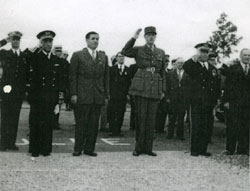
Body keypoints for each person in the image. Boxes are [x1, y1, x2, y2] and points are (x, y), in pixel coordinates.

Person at [122, 27, 166, 157]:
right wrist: (134, 37)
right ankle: (138, 147)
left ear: (155, 37)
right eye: (148, 35)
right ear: (145, 37)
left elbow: (163, 71)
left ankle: (148, 148)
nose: (151, 37)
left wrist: (163, 89)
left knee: (151, 119)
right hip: (141, 86)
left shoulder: (161, 52)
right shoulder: (139, 49)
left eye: (153, 35)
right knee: (141, 118)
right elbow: (125, 51)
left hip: (154, 87)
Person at [70, 31, 109, 157]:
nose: (96, 41)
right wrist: (74, 94)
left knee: (93, 125)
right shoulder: (78, 55)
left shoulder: (103, 57)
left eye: (97, 39)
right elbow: (72, 76)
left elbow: (106, 77)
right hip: (83, 95)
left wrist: (106, 94)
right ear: (87, 40)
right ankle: (78, 148)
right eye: (93, 39)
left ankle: (89, 149)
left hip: (97, 95)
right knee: (81, 124)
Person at [28, 30, 65, 157]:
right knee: (35, 122)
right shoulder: (35, 57)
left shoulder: (56, 59)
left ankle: (46, 149)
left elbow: (60, 79)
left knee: (48, 124)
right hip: (37, 96)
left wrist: (59, 96)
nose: (49, 44)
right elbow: (25, 59)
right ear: (41, 43)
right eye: (46, 41)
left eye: (50, 41)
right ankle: (34, 149)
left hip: (50, 97)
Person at [183, 43, 220, 157]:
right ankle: (195, 149)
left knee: (206, 125)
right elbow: (186, 67)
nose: (204, 54)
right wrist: (193, 59)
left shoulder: (212, 68)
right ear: (198, 53)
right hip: (196, 101)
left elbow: (216, 85)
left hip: (208, 102)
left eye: (206, 52)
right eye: (201, 52)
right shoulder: (193, 65)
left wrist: (217, 99)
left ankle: (203, 149)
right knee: (196, 125)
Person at [0, 31, 29, 151]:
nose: (16, 41)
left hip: (18, 92)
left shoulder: (24, 55)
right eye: (14, 39)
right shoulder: (4, 53)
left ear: (20, 40)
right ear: (11, 40)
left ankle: (11, 142)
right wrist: (5, 40)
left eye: (17, 39)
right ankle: (3, 143)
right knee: (5, 117)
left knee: (14, 118)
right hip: (6, 91)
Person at [222, 48, 250, 156]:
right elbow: (227, 86)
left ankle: (243, 149)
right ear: (240, 56)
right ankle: (230, 149)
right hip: (234, 103)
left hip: (247, 104)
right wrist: (226, 101)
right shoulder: (233, 69)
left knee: (246, 127)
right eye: (245, 55)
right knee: (232, 126)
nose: (247, 57)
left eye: (249, 55)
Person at [166, 57, 191, 140]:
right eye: (179, 63)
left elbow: (189, 87)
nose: (180, 65)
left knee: (181, 117)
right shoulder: (170, 74)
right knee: (172, 117)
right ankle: (170, 134)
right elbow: (167, 87)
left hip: (183, 99)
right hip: (173, 98)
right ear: (175, 64)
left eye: (182, 63)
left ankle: (180, 135)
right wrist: (168, 97)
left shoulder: (187, 74)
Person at [109, 52, 131, 137]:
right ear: (116, 58)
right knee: (113, 112)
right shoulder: (112, 69)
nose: (121, 58)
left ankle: (118, 130)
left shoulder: (127, 69)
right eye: (119, 56)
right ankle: (112, 130)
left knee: (121, 112)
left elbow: (129, 82)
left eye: (122, 56)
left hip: (123, 95)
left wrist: (128, 93)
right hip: (114, 95)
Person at [155, 54, 171, 133]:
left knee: (164, 111)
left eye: (168, 62)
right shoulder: (158, 71)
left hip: (166, 94)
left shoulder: (169, 71)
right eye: (165, 61)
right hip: (158, 94)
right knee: (157, 112)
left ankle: (160, 128)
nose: (166, 63)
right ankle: (156, 128)